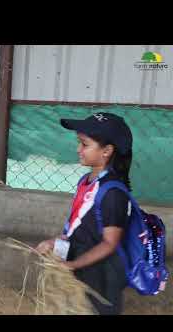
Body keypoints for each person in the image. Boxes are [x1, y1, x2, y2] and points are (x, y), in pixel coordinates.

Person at [36, 112, 134, 315]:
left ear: (106, 151)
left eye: (85, 144)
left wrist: (72, 264)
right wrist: (55, 243)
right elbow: (77, 226)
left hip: (101, 273)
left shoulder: (113, 193)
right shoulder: (86, 182)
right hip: (80, 263)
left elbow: (110, 243)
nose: (78, 149)